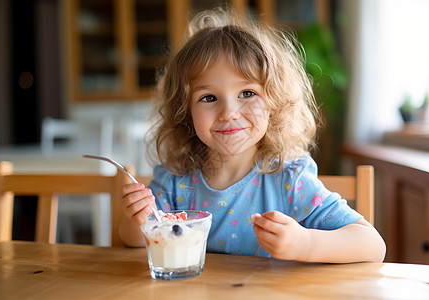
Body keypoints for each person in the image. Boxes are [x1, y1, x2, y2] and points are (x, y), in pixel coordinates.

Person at [119, 8, 386, 263]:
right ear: (184, 112)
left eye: (247, 93)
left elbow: (372, 244)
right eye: (209, 97)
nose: (228, 113)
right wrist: (138, 220)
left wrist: (305, 244)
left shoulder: (289, 181)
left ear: (274, 101)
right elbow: (135, 241)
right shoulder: (175, 181)